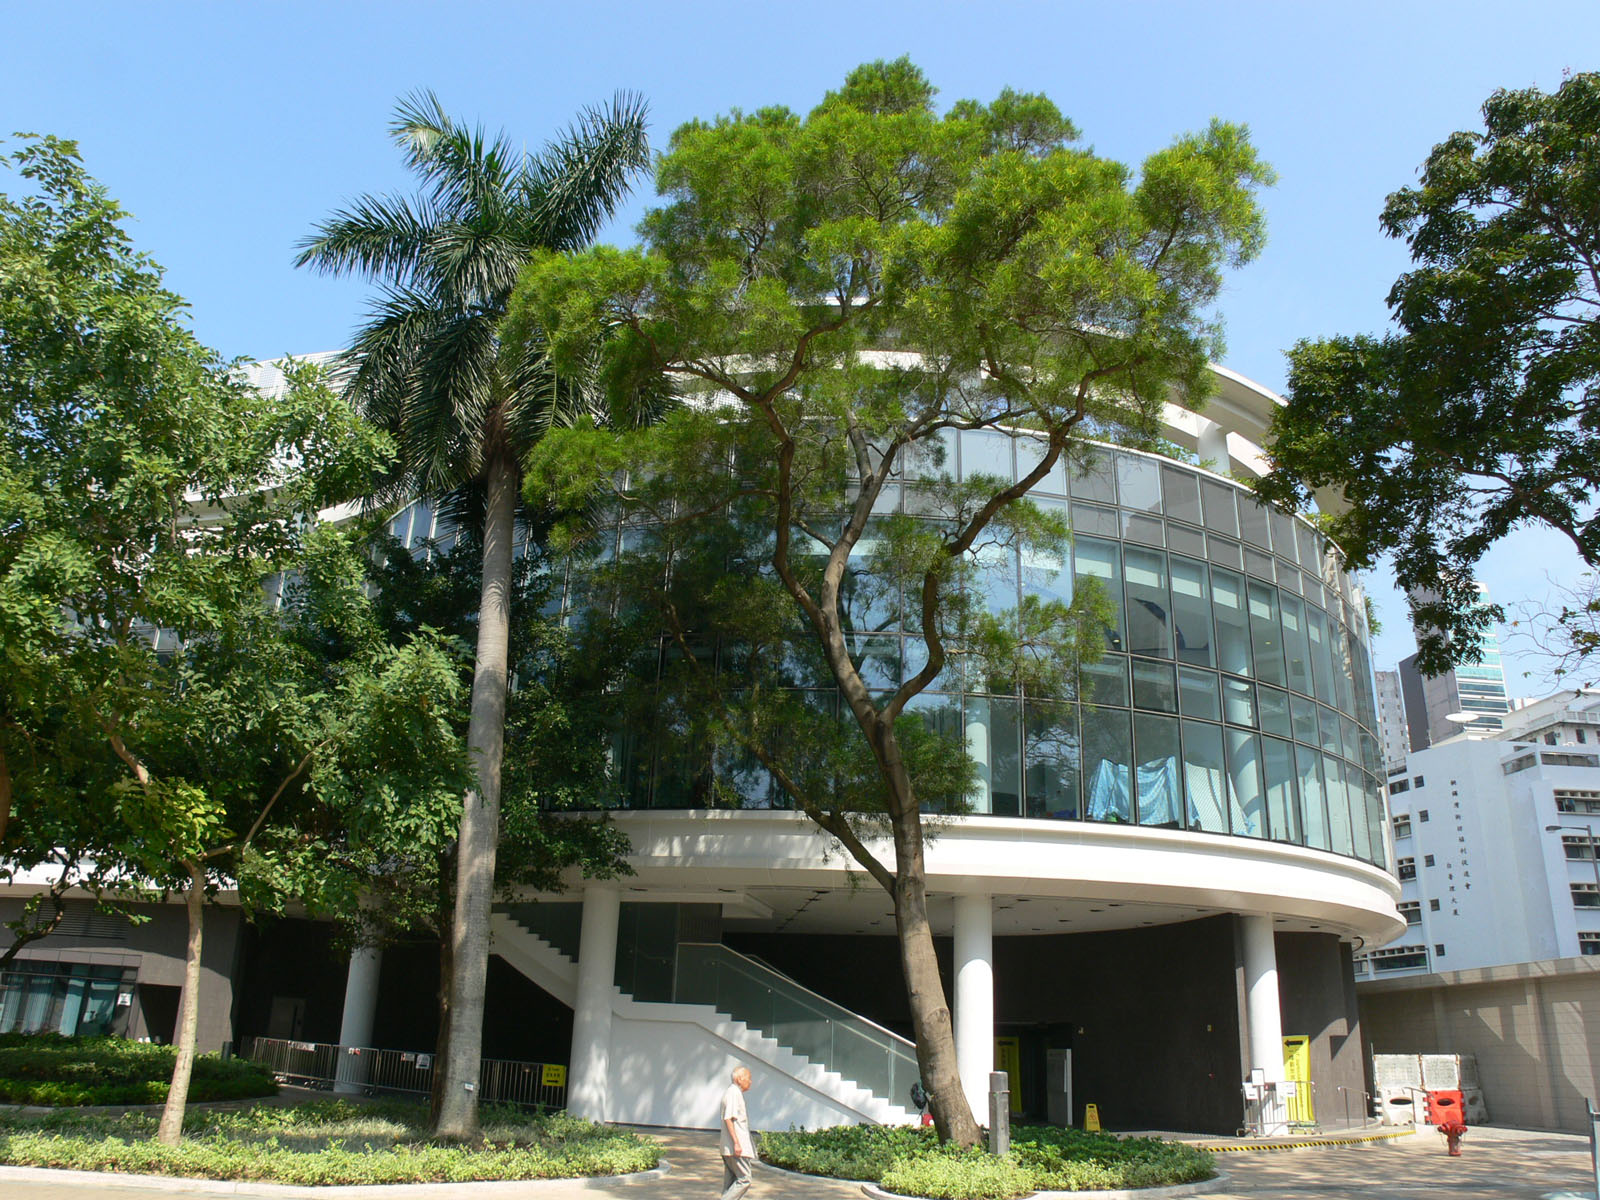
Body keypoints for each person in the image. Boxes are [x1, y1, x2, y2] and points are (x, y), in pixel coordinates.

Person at [719, 1064, 754, 1200]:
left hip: (729, 1147)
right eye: (748, 1078)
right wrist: (737, 1143)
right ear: (740, 1079)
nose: (750, 1082)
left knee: (730, 1183)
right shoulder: (734, 1093)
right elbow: (729, 1118)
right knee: (745, 1179)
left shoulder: (732, 1092)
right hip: (736, 1148)